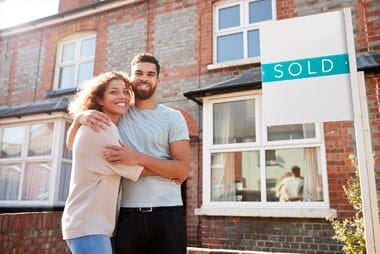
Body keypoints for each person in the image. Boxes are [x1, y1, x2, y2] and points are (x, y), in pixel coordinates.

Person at [67, 53, 191, 254]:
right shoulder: (117, 113)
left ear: (157, 80)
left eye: (151, 74)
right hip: (127, 214)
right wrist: (79, 118)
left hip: (168, 212)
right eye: (138, 73)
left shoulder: (173, 117)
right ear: (131, 78)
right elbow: (74, 146)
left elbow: (183, 170)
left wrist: (138, 158)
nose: (144, 78)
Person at [61, 71, 145, 254]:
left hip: (90, 225)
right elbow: (137, 170)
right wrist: (173, 171)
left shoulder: (93, 124)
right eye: (113, 92)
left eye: (125, 91)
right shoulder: (102, 128)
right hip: (88, 225)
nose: (122, 96)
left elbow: (70, 144)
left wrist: (77, 121)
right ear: (99, 98)